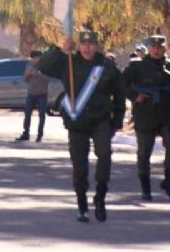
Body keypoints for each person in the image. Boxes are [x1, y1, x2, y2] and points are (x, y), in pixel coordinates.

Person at [38, 31, 125, 223]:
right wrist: (60, 50)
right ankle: (82, 204)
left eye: (91, 44)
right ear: (79, 45)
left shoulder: (107, 66)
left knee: (104, 156)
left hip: (101, 120)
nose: (87, 48)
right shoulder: (68, 62)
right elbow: (43, 66)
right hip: (77, 122)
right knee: (79, 165)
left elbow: (119, 95)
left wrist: (116, 123)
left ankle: (100, 196)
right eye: (83, 44)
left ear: (97, 45)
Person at [122, 35, 170, 202]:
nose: (156, 50)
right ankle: (145, 189)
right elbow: (121, 84)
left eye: (160, 47)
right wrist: (135, 96)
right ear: (148, 48)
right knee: (144, 153)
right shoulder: (137, 67)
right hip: (144, 115)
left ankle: (169, 181)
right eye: (153, 47)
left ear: (164, 48)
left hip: (166, 115)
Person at [17, 50, 50, 142]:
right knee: (27, 113)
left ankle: (40, 134)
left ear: (40, 58)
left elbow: (47, 79)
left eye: (36, 58)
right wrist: (28, 74)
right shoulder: (29, 65)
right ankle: (25, 133)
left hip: (42, 93)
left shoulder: (44, 67)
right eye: (32, 58)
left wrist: (36, 74)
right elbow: (25, 79)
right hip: (31, 93)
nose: (34, 60)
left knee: (41, 115)